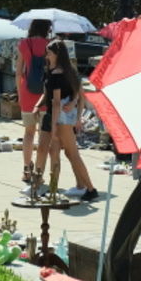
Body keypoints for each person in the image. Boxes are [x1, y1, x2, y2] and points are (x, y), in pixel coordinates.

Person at [29, 39, 98, 201]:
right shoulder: (62, 71)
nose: (46, 55)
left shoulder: (58, 74)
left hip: (61, 119)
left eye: (49, 53)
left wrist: (54, 127)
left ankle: (89, 188)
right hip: (59, 117)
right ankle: (48, 187)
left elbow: (57, 102)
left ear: (57, 55)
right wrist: (39, 106)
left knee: (71, 153)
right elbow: (60, 96)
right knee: (56, 152)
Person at [16, 19, 51, 183]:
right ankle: (39, 172)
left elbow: (18, 72)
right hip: (45, 94)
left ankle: (26, 170)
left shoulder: (24, 44)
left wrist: (19, 94)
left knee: (28, 133)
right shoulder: (51, 45)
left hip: (27, 93)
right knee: (44, 135)